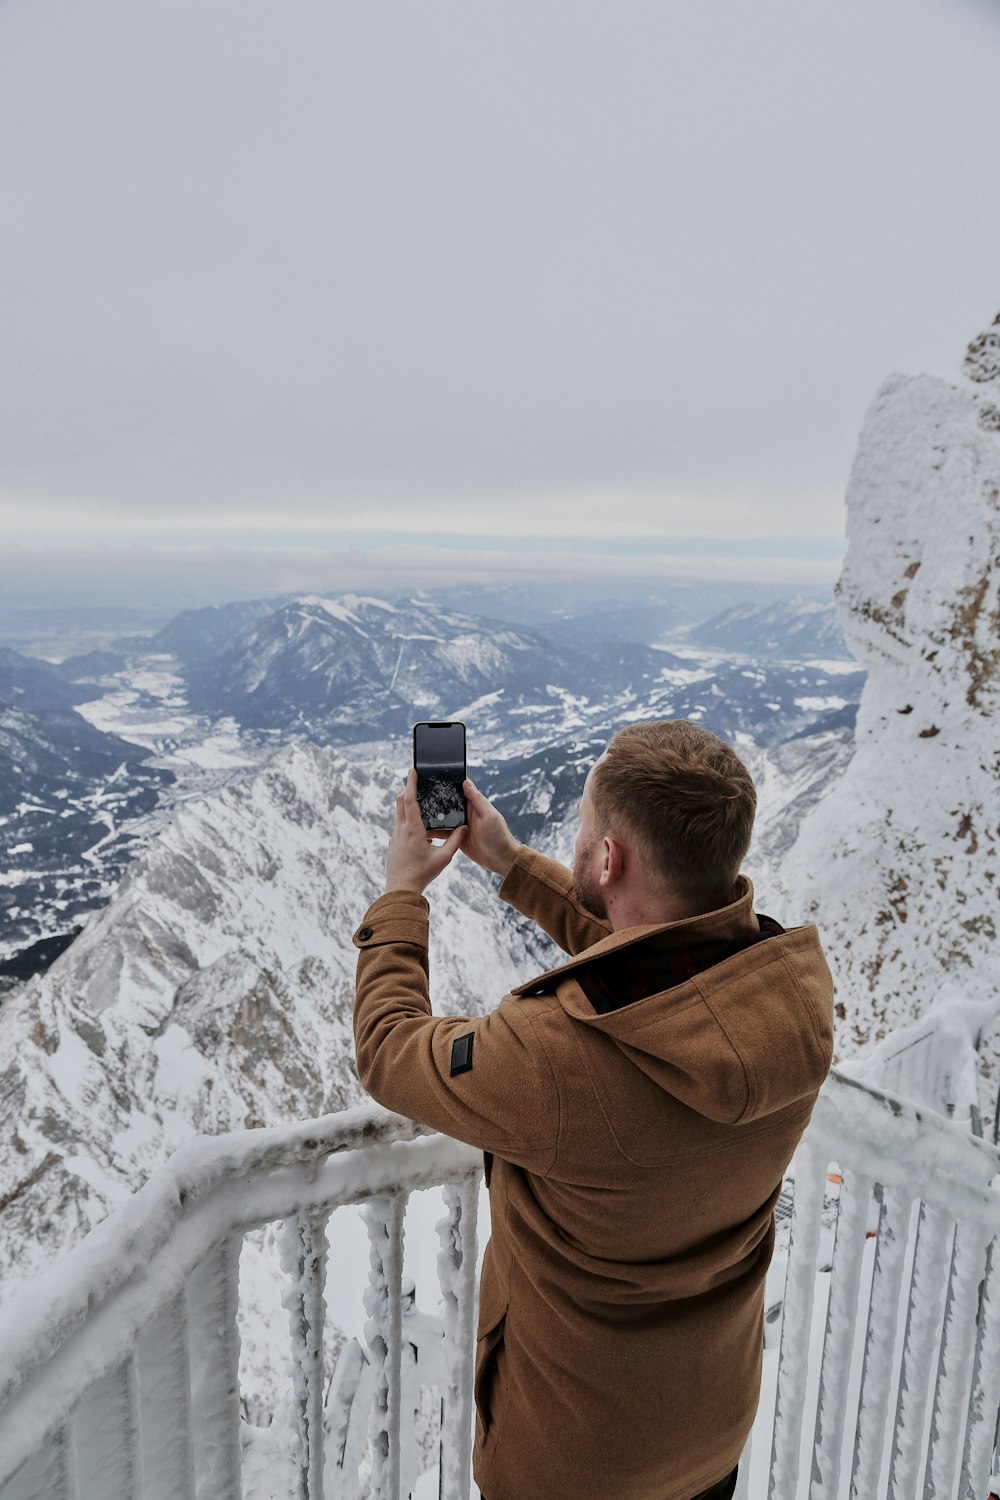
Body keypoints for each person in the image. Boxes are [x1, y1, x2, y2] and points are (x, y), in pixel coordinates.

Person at [353, 719, 835, 1500]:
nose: (576, 838)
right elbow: (651, 961)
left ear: (608, 858)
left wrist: (401, 894)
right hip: (709, 1428)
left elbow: (388, 1048)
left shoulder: (553, 1061)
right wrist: (508, 864)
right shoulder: (791, 1003)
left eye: (583, 827)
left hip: (572, 1463)